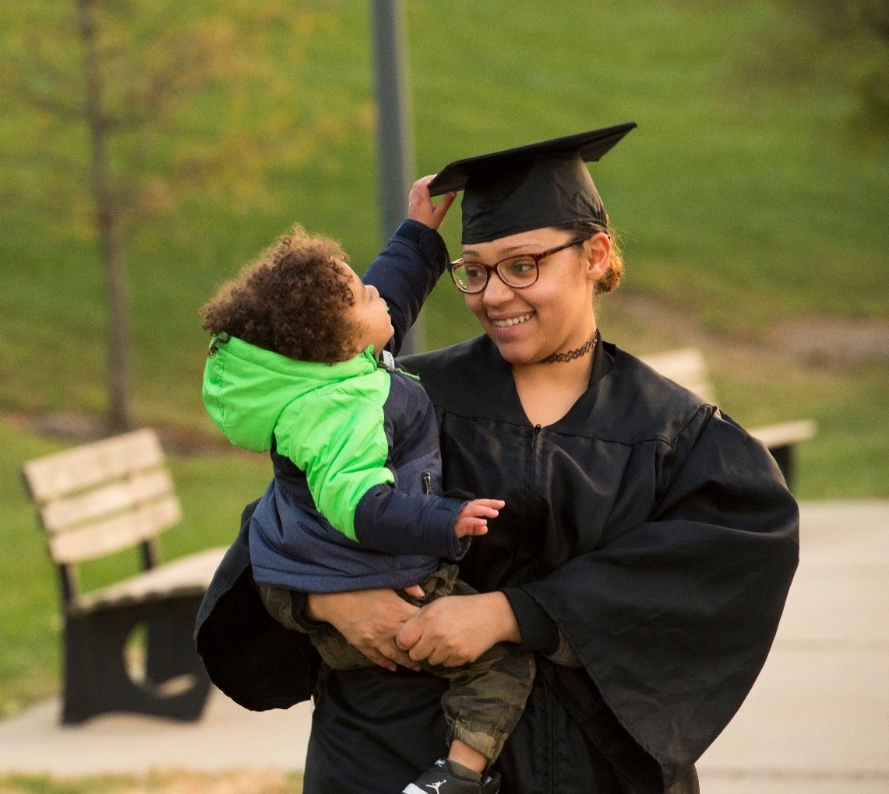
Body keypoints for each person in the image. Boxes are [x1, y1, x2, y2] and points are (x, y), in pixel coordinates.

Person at [195, 123, 800, 794]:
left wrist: (516, 612)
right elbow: (273, 534)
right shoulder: (401, 402)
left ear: (595, 255)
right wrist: (324, 601)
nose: (494, 295)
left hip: (592, 772)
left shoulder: (672, 433)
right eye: (474, 271)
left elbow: (723, 566)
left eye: (523, 265)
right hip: (389, 757)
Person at [198, 180, 533, 794]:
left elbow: (388, 300)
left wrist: (419, 235)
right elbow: (362, 506)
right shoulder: (344, 414)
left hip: (313, 578)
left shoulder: (337, 371)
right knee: (501, 664)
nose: (376, 290)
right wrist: (442, 520)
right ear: (338, 343)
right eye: (360, 294)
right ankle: (459, 775)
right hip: (363, 580)